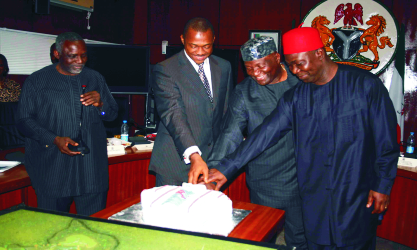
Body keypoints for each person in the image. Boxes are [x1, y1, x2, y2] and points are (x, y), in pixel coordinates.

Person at [191, 27, 399, 249]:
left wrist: (383, 185)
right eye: (291, 65)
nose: (296, 71)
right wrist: (225, 168)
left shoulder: (365, 85)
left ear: (319, 53)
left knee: (356, 243)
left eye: (300, 64)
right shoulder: (297, 96)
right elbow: (264, 134)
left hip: (355, 191)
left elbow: (385, 141)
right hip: (314, 193)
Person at [205, 36, 306, 249]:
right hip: (265, 177)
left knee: (301, 237)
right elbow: (230, 134)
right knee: (264, 236)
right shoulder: (245, 92)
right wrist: (214, 170)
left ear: (278, 58)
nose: (256, 73)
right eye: (249, 68)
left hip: (302, 176)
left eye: (261, 66)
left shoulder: (301, 81)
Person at [16, 32, 118, 216]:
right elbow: (23, 121)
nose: (80, 60)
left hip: (91, 169)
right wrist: (53, 139)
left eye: (84, 55)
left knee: (93, 227)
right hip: (53, 168)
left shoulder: (95, 78)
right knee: (53, 230)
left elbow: (111, 115)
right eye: (72, 56)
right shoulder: (37, 81)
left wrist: (101, 104)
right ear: (57, 54)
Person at [149, 17, 233, 186]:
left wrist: (219, 161)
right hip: (175, 164)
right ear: (182, 40)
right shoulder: (166, 69)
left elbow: (224, 114)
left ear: (213, 40)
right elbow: (174, 114)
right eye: (193, 45)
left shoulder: (224, 67)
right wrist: (195, 155)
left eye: (206, 46)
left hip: (210, 165)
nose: (200, 52)